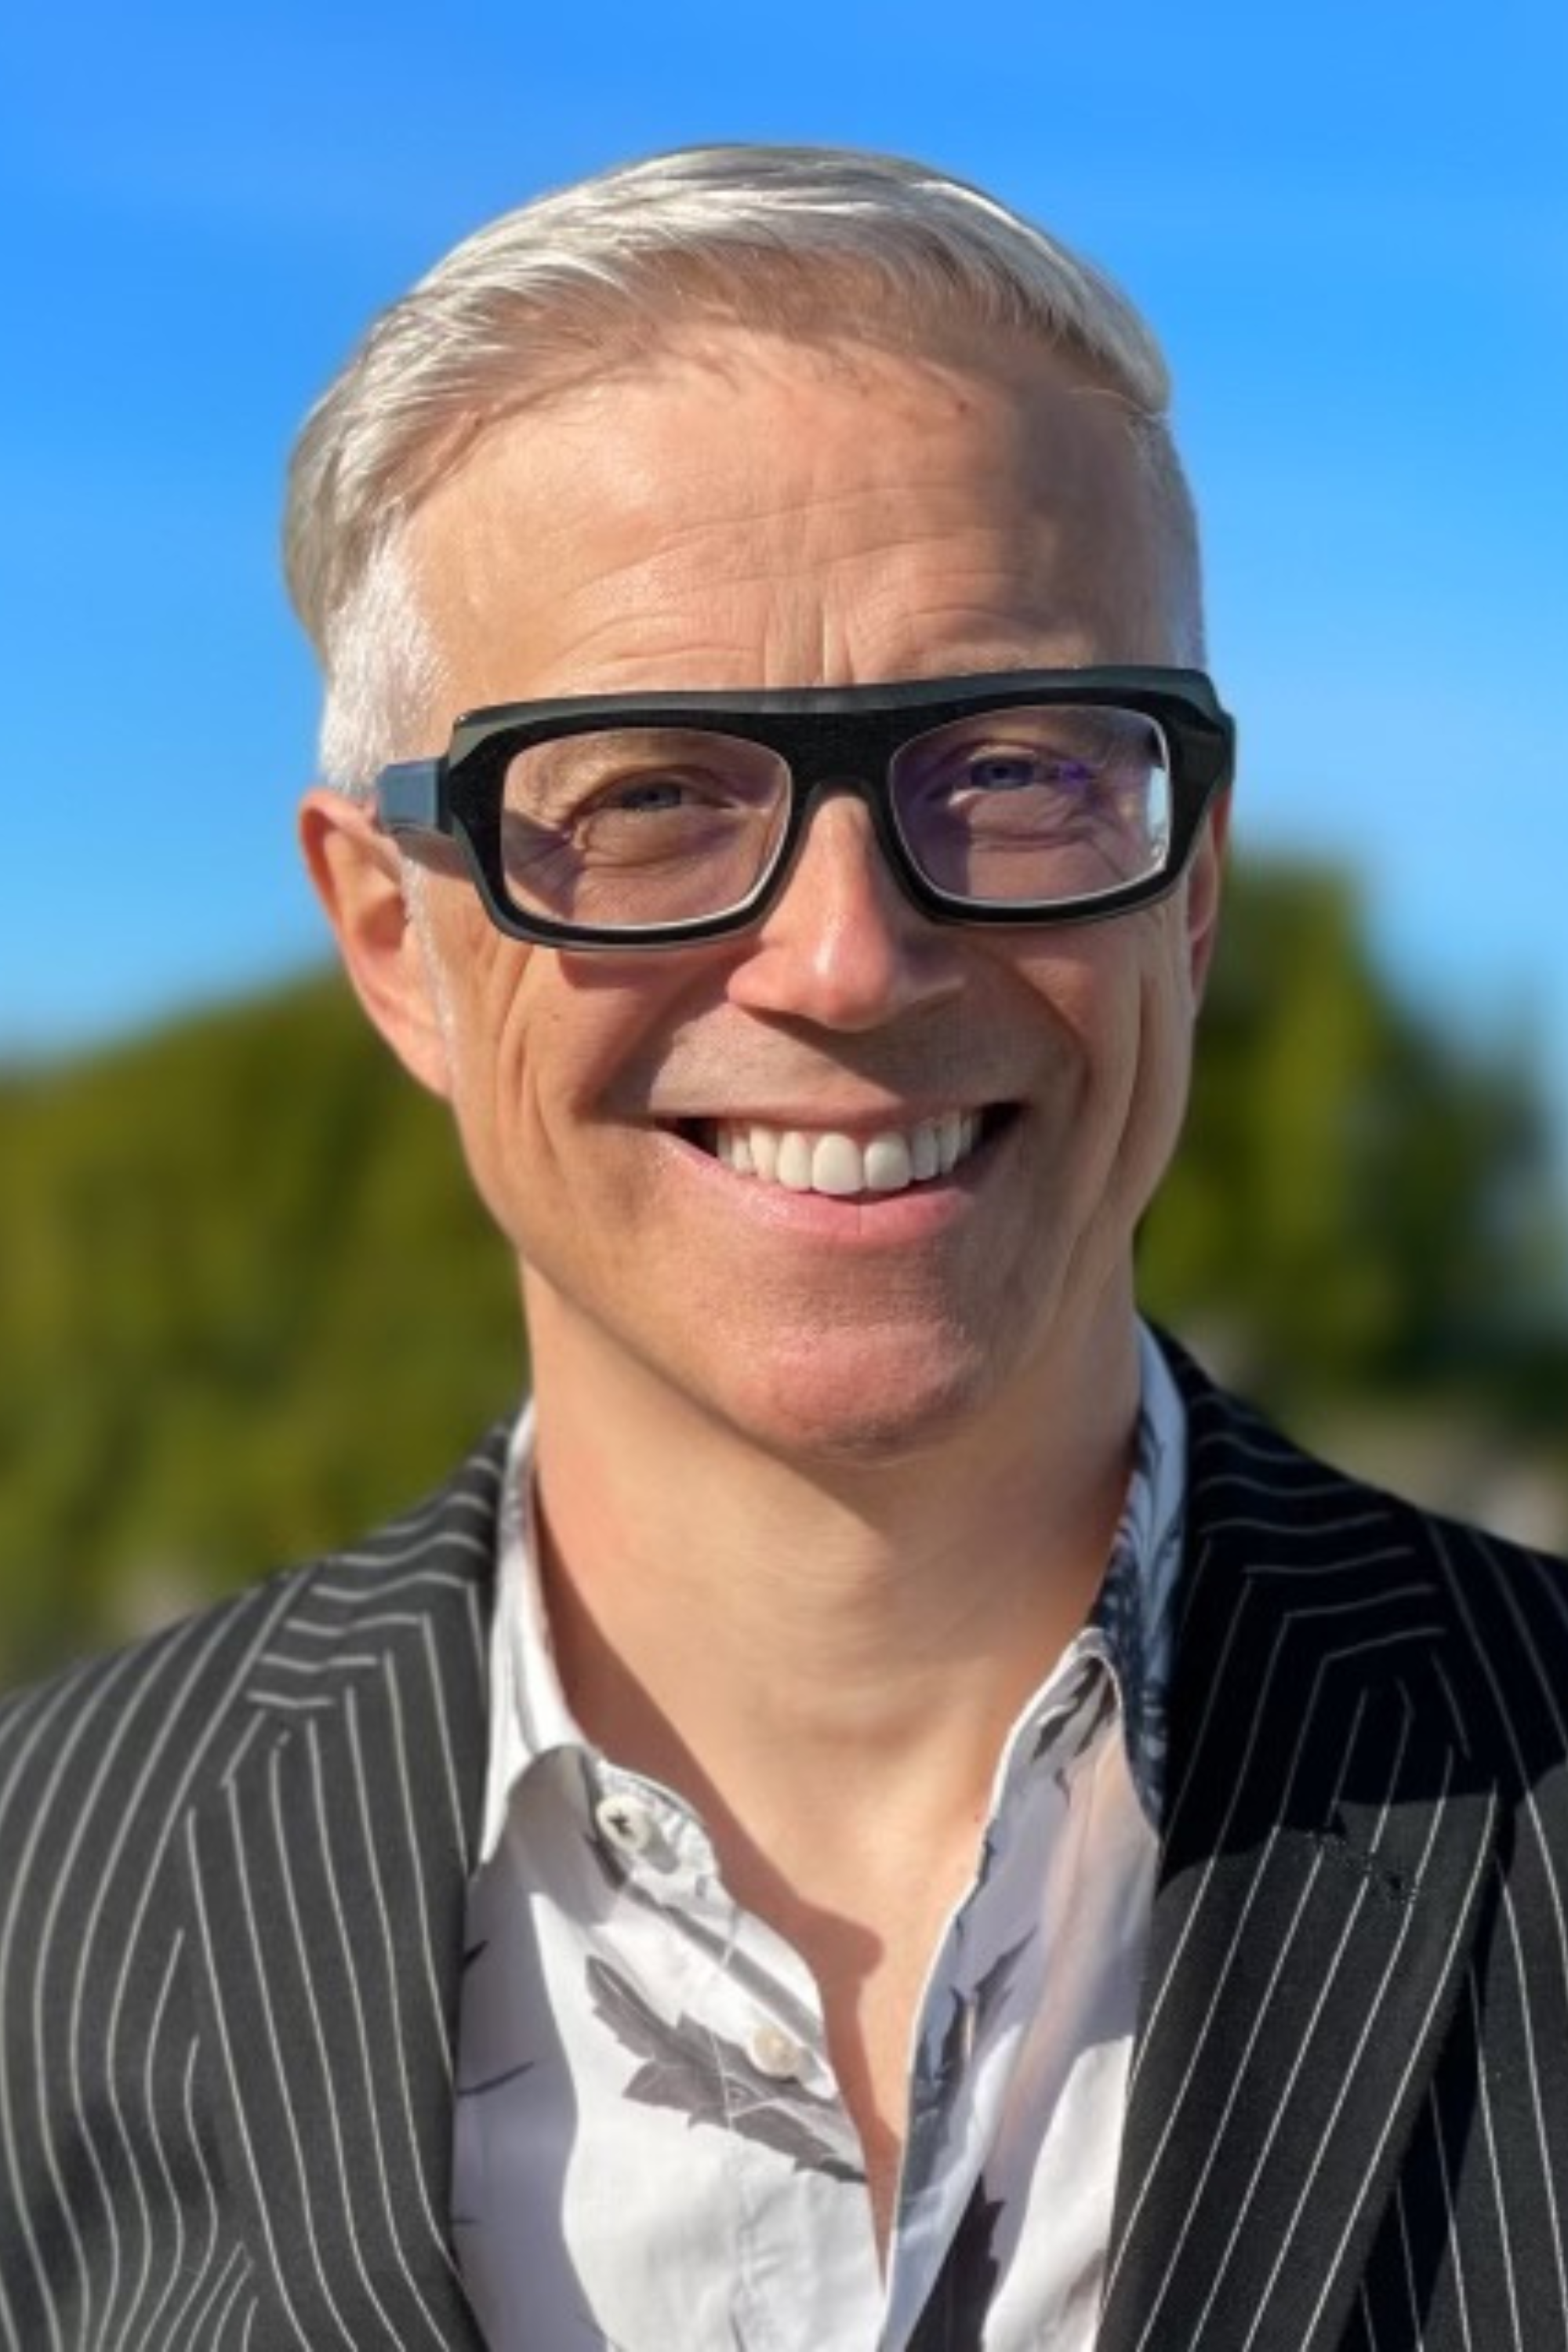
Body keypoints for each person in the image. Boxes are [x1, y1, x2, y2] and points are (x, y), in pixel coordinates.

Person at [2, 143, 1564, 2352]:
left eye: (1012, 768)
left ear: (1190, 886)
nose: (846, 957)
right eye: (645, 795)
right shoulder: (36, 1898)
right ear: (396, 937)